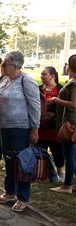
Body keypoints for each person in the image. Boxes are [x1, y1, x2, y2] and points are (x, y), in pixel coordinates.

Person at [0, 50, 40, 212]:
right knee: (9, 161)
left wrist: (35, 129)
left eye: (5, 64)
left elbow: (35, 106)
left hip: (21, 128)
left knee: (22, 163)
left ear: (14, 65)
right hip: (4, 126)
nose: (2, 67)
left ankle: (23, 197)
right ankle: (9, 191)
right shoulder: (5, 80)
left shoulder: (26, 80)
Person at [49, 54, 76, 194]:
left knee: (70, 155)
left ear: (70, 66)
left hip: (70, 124)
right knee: (73, 154)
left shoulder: (73, 83)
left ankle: (67, 185)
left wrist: (56, 100)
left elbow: (73, 104)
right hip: (71, 122)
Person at [38, 66, 64, 181]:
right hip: (40, 126)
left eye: (44, 74)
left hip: (54, 127)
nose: (41, 76)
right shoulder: (38, 89)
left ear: (52, 76)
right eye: (41, 74)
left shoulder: (60, 89)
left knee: (57, 150)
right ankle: (42, 174)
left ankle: (59, 173)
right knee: (40, 151)